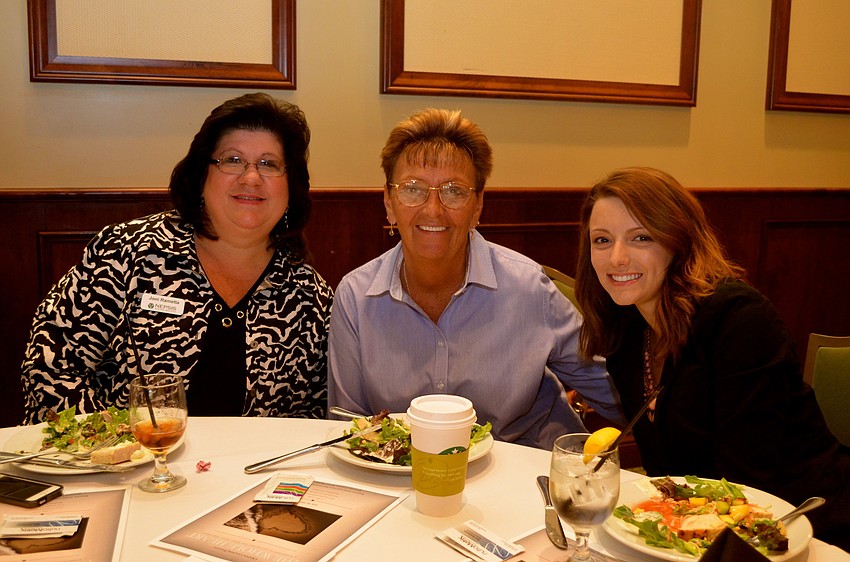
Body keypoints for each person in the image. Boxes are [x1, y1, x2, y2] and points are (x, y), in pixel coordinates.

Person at [575, 166, 850, 550]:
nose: (616, 257)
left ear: (678, 242)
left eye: (641, 237)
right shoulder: (625, 327)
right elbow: (668, 472)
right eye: (602, 240)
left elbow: (751, 481)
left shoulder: (739, 319)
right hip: (699, 534)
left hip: (802, 528)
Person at [21, 93, 332, 424]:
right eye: (232, 160)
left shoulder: (308, 295)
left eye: (269, 164)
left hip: (251, 473)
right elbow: (51, 361)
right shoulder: (127, 252)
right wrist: (108, 447)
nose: (251, 177)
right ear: (201, 176)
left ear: (291, 188)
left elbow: (313, 418)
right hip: (121, 467)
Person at [327, 108, 623, 450]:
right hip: (405, 482)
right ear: (389, 203)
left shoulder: (529, 289)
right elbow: (348, 426)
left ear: (478, 206)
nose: (433, 209)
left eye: (454, 191)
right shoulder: (355, 297)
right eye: (412, 189)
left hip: (528, 474)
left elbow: (614, 392)